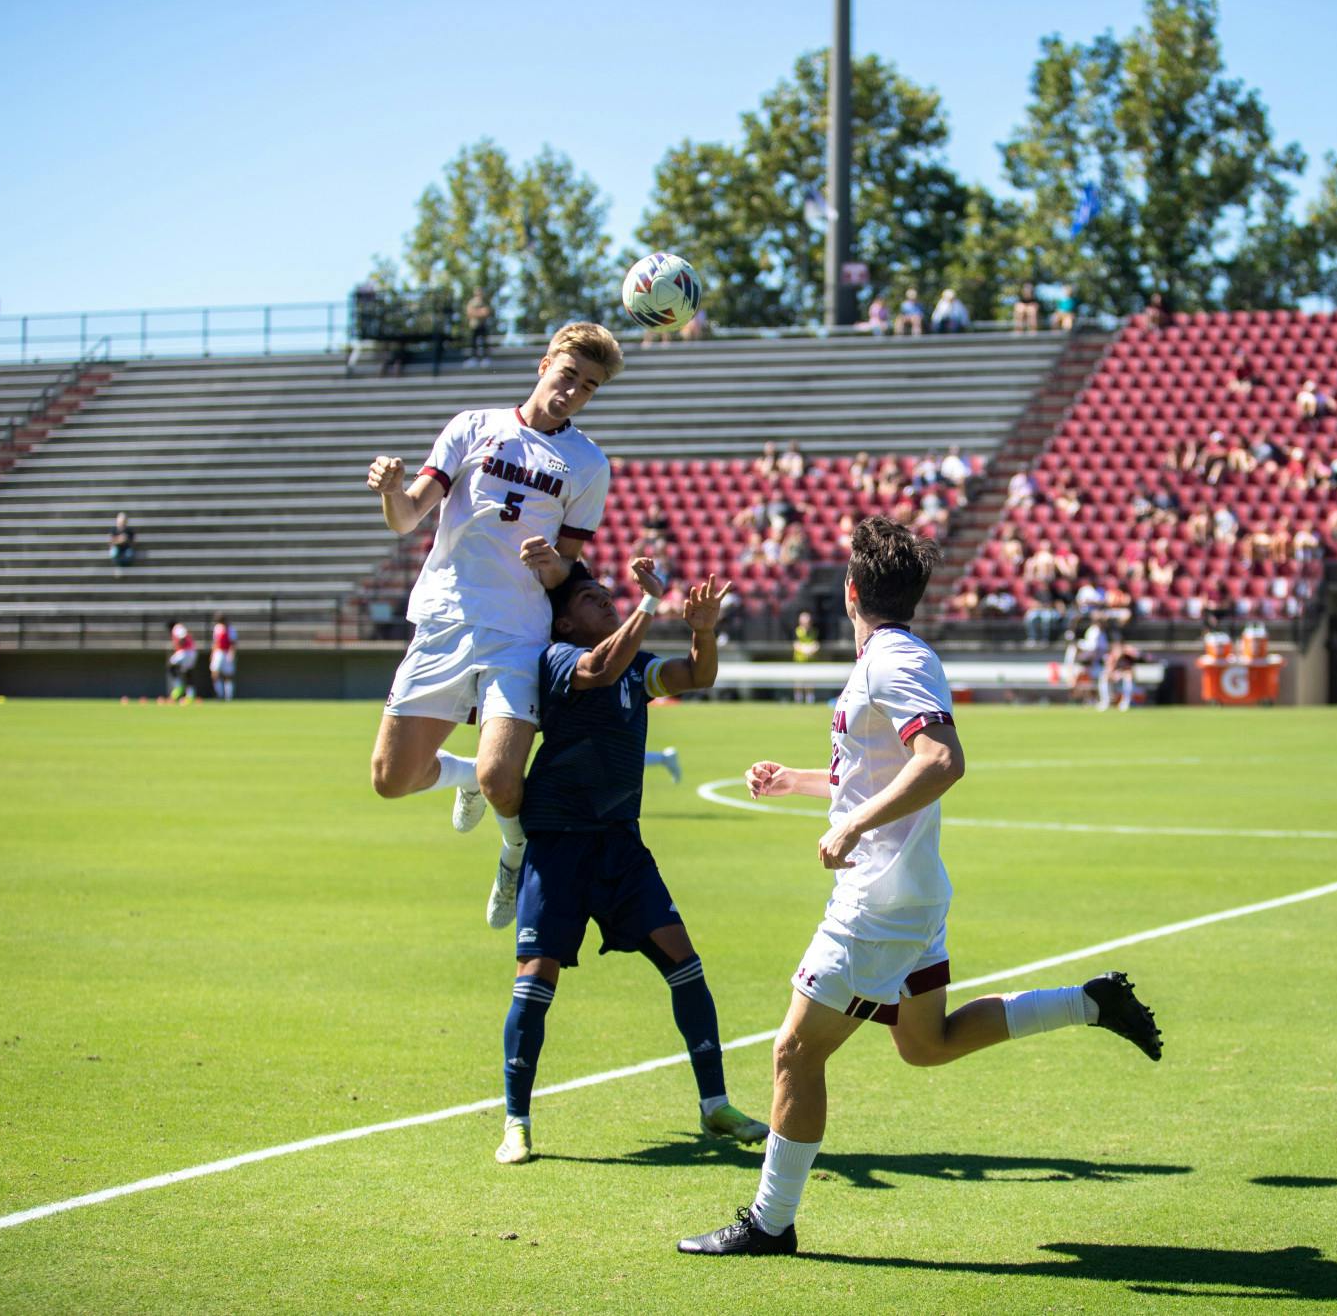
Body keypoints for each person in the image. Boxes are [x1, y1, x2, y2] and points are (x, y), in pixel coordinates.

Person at [677, 517, 1162, 1257]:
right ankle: (1090, 1001)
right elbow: (874, 772)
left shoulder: (892, 660)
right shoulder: (890, 657)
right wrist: (800, 784)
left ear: (849, 592)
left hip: (878, 899)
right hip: (911, 893)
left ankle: (771, 1223)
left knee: (793, 1054)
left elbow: (939, 760)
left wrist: (848, 829)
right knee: (926, 1044)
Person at [492, 561, 767, 1165]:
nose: (607, 602)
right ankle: (516, 1122)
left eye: (607, 596)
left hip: (619, 845)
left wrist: (703, 629)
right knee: (536, 981)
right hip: (559, 845)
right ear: (564, 621)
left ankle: (715, 1103)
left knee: (685, 964)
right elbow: (599, 667)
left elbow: (698, 674)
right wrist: (648, 604)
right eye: (592, 599)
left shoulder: (635, 665)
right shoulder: (559, 660)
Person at [364, 322, 620, 887]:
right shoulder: (472, 427)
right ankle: (460, 778)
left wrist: (553, 565)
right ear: (544, 364)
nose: (574, 391)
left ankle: (513, 856)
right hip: (445, 618)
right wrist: (390, 489)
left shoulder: (588, 464)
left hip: (518, 633)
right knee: (390, 777)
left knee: (502, 778)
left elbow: (568, 571)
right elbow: (407, 517)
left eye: (589, 387)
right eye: (568, 374)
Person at [204, 615, 238, 702]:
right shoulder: (217, 628)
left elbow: (233, 643)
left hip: (227, 652)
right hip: (218, 652)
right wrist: (212, 653)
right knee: (214, 673)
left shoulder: (231, 629)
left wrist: (232, 654)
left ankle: (228, 696)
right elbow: (215, 642)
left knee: (228, 675)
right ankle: (219, 694)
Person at [791, 610, 821, 704]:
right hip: (799, 661)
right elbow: (795, 644)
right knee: (798, 682)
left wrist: (811, 649)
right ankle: (798, 699)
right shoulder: (796, 631)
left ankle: (810, 699)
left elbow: (817, 644)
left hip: (811, 661)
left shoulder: (814, 631)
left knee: (810, 682)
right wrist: (803, 649)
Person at [165, 621, 199, 701]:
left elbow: (182, 637)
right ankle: (190, 695)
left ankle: (178, 687)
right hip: (192, 652)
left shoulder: (177, 627)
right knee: (188, 673)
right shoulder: (180, 627)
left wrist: (178, 646)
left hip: (185, 652)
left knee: (170, 664)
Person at [465, 288, 494, 367]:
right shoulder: (471, 302)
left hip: (483, 325)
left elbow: (486, 312)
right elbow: (469, 312)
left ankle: (485, 358)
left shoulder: (485, 302)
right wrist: (480, 312)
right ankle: (473, 358)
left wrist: (477, 312)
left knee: (484, 343)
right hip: (474, 325)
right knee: (473, 343)